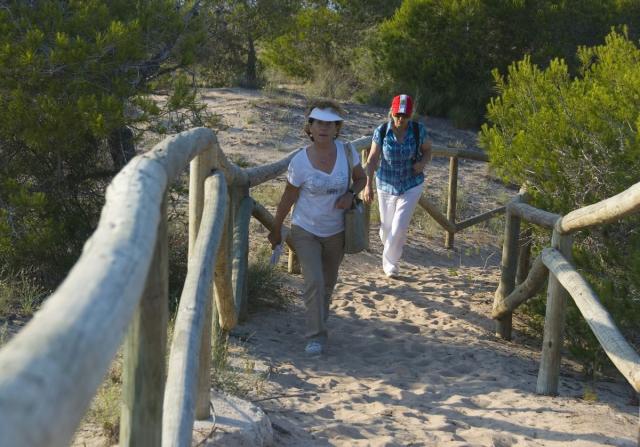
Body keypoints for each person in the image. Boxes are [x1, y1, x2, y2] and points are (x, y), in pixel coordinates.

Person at [269, 100, 366, 355]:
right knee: (314, 281)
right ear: (309, 127)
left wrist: (351, 195)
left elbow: (361, 178)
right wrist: (277, 228)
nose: (323, 128)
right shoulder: (300, 161)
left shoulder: (347, 152)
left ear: (337, 128)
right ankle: (316, 336)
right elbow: (288, 197)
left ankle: (319, 320)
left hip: (337, 231)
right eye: (318, 123)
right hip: (305, 229)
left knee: (328, 282)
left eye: (329, 124)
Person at [363, 94, 432, 278]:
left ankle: (390, 265)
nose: (401, 119)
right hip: (386, 184)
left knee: (400, 226)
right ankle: (390, 246)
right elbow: (371, 160)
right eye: (397, 114)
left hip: (411, 184)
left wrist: (422, 164)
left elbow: (427, 151)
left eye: (405, 115)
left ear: (411, 115)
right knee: (387, 230)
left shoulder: (418, 130)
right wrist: (367, 185)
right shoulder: (382, 131)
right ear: (391, 112)